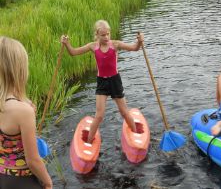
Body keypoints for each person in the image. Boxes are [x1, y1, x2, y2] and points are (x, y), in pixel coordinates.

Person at [61, 20, 144, 143]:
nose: (106, 37)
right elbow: (73, 52)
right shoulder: (93, 46)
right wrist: (66, 43)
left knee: (124, 112)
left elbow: (135, 48)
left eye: (108, 34)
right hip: (102, 83)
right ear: (97, 35)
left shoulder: (115, 44)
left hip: (115, 81)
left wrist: (139, 41)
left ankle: (136, 135)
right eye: (103, 35)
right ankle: (89, 142)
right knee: (99, 116)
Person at [0, 36, 52, 189]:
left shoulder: (16, 107)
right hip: (21, 181)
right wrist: (48, 182)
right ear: (19, 69)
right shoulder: (23, 111)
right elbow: (33, 160)